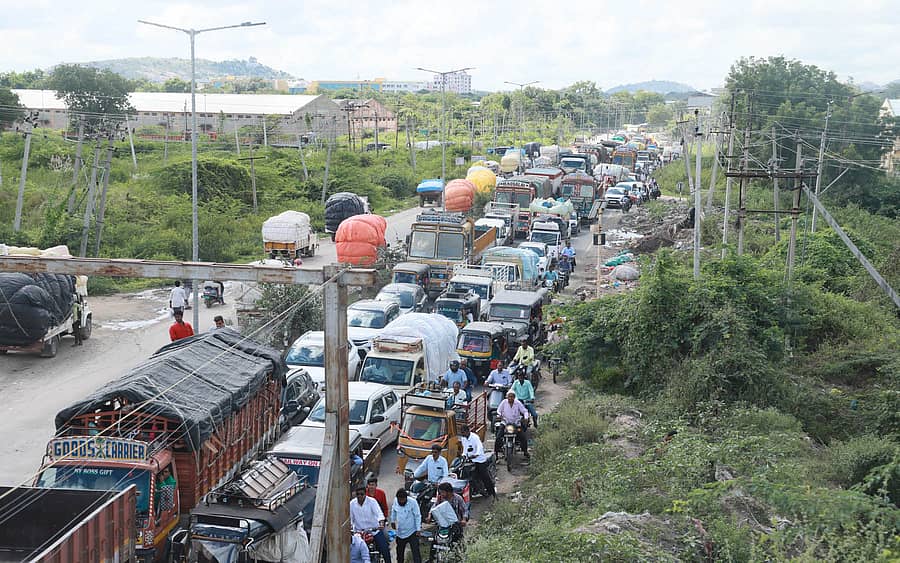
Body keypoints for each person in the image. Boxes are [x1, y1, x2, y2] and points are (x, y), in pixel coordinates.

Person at [349, 486, 391, 563]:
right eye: (357, 494)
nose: (359, 496)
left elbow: (379, 514)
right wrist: (350, 527)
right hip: (359, 533)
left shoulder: (372, 501)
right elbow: (350, 519)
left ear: (365, 494)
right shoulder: (352, 504)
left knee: (384, 549)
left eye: (361, 494)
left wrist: (381, 523)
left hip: (373, 531)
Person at [458, 425, 496, 499]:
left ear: (467, 431)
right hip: (470, 460)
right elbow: (465, 448)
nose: (462, 434)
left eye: (463, 432)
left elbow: (479, 447)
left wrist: (476, 455)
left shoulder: (475, 437)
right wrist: (463, 455)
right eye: (461, 432)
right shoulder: (463, 438)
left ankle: (491, 492)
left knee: (484, 476)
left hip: (479, 459)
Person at [390, 488, 422, 563]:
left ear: (406, 498)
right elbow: (393, 510)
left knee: (415, 552)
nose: (401, 501)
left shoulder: (413, 502)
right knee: (400, 553)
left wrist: (418, 529)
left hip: (412, 531)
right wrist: (392, 521)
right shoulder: (395, 501)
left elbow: (417, 515)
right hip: (400, 532)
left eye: (402, 500)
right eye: (399, 500)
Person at [496, 391, 531, 459]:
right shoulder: (504, 402)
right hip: (505, 423)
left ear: (514, 397)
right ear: (507, 397)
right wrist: (499, 416)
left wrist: (526, 418)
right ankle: (496, 453)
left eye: (512, 396)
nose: (510, 398)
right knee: (498, 437)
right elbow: (498, 411)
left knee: (523, 437)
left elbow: (524, 411)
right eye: (509, 396)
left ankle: (525, 451)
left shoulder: (517, 403)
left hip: (516, 424)